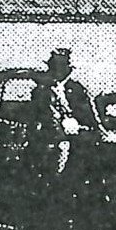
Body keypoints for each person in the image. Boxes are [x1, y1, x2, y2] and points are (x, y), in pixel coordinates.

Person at [28, 48, 99, 177]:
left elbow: (89, 112)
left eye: (60, 68)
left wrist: (95, 129)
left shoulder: (76, 89)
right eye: (54, 68)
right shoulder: (42, 91)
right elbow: (43, 115)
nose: (56, 72)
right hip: (52, 137)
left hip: (76, 135)